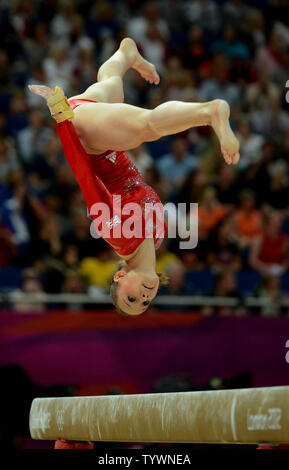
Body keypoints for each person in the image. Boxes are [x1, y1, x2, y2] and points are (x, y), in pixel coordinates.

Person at [28, 37, 240, 316]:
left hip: (87, 137)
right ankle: (126, 54)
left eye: (131, 299)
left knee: (147, 128)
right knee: (111, 83)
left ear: (119, 277)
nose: (142, 297)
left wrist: (62, 121)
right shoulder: (159, 237)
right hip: (105, 131)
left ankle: (210, 111)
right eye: (145, 303)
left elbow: (85, 178)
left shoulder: (118, 235)